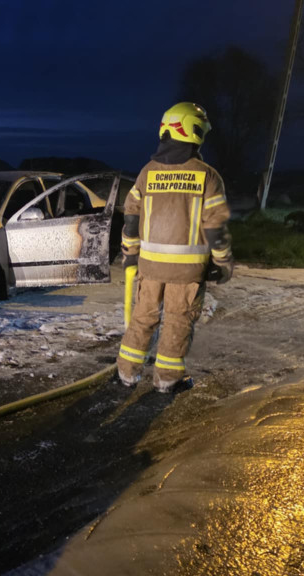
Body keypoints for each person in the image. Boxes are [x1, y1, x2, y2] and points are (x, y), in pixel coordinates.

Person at [117, 102, 233, 392]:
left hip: (150, 267)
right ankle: (168, 380)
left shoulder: (146, 173)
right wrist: (222, 262)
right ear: (194, 132)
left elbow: (131, 219)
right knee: (178, 322)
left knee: (143, 317)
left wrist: (130, 255)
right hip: (188, 271)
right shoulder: (207, 176)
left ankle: (127, 375)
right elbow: (215, 226)